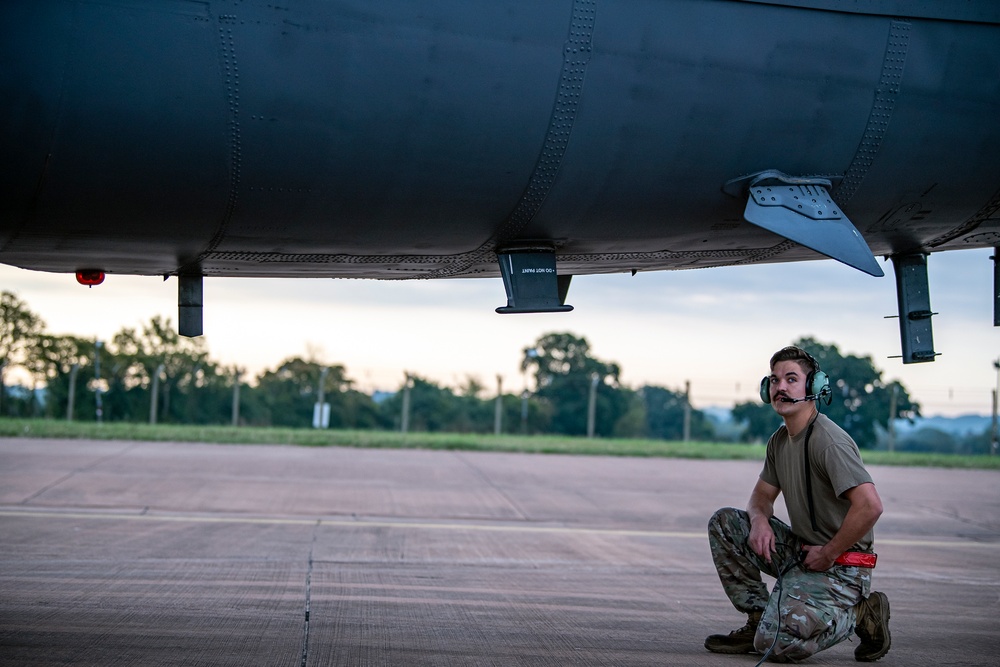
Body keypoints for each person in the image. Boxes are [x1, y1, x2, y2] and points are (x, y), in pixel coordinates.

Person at [705, 346, 891, 662]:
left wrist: (830, 552)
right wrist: (760, 519)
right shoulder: (779, 440)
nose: (781, 387)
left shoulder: (828, 442)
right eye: (775, 380)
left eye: (792, 379)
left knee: (777, 645)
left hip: (843, 563)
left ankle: (861, 613)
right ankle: (758, 618)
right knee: (726, 523)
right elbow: (760, 497)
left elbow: (870, 506)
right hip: (804, 550)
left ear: (814, 387)